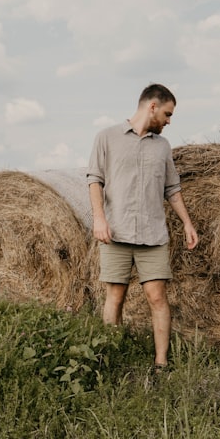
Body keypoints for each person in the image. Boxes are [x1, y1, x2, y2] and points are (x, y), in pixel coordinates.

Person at [87, 83, 199, 370]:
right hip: (116, 232)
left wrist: (187, 223)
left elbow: (172, 188)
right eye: (167, 113)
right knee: (115, 295)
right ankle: (109, 358)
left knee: (157, 297)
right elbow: (94, 180)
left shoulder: (162, 147)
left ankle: (161, 363)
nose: (169, 121)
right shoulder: (107, 137)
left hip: (153, 234)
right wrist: (99, 219)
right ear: (152, 106)